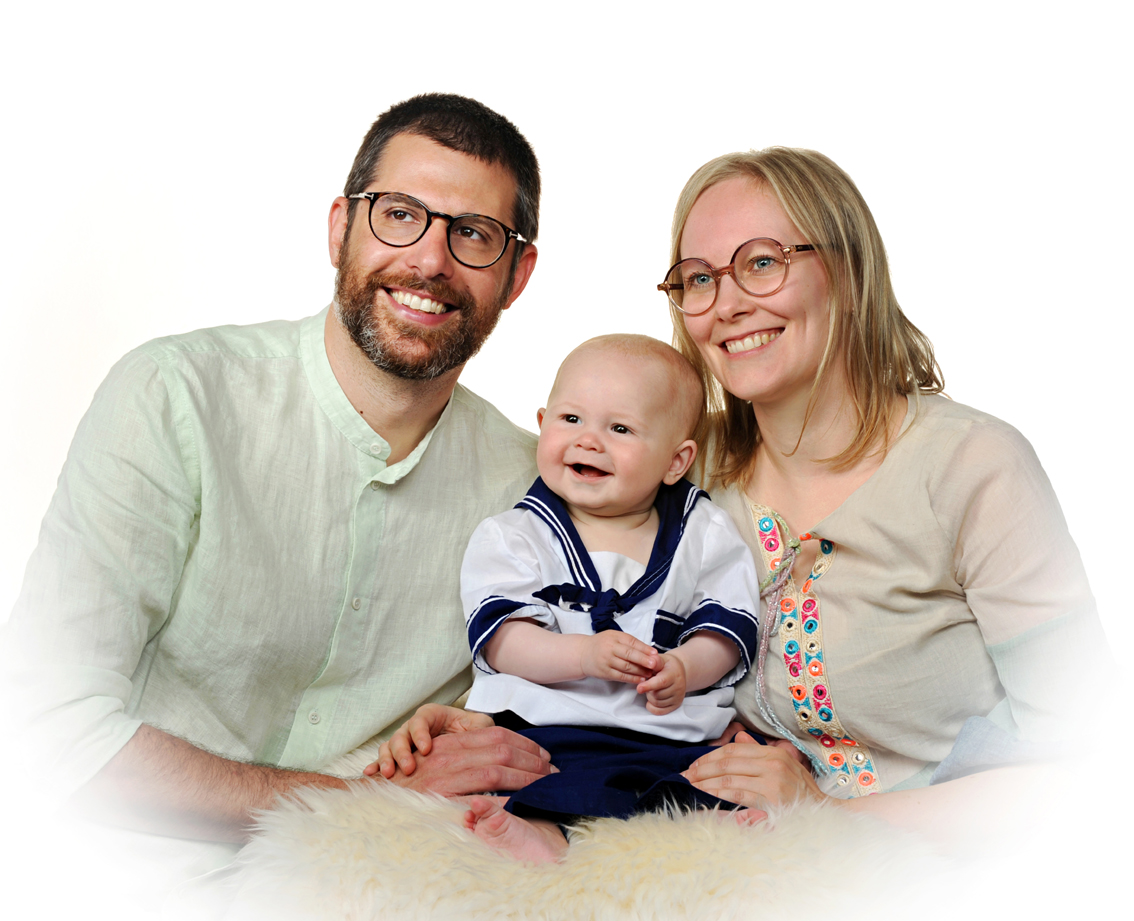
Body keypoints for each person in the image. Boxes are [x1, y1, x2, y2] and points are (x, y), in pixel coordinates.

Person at [2, 93, 557, 872]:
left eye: (473, 233)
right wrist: (358, 804)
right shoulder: (175, 396)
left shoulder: (536, 490)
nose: (430, 260)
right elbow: (42, 729)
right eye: (400, 214)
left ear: (517, 273)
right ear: (340, 227)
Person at [656, 147, 1105, 841]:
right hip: (756, 858)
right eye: (699, 278)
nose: (729, 303)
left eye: (763, 262)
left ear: (849, 272)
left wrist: (827, 815)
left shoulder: (973, 465)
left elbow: (1091, 765)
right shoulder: (688, 462)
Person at [372, 334, 763, 863]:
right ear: (542, 423)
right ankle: (540, 831)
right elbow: (503, 642)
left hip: (667, 731)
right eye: (571, 419)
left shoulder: (703, 532)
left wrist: (685, 669)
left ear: (676, 461)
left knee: (707, 771)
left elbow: (727, 628)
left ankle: (712, 824)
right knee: (546, 775)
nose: (588, 441)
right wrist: (583, 655)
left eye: (620, 429)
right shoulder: (514, 535)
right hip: (550, 726)